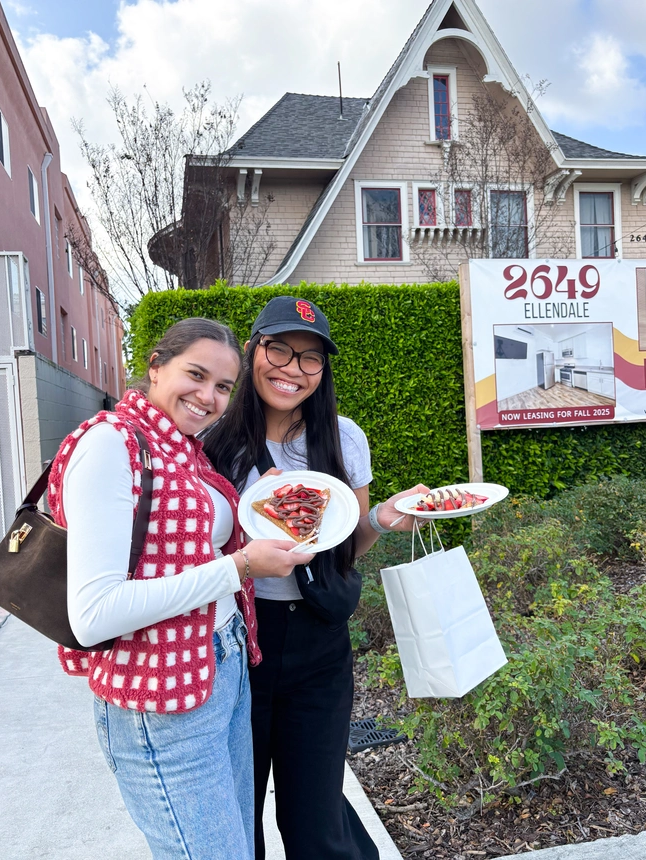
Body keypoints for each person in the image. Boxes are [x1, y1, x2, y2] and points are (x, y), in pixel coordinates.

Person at [48, 318, 314, 860]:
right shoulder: (110, 445)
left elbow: (184, 544)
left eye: (222, 387)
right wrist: (240, 566)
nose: (208, 397)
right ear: (154, 365)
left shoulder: (180, 447)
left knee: (239, 847)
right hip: (160, 701)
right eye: (195, 375)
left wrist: (256, 513)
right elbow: (94, 614)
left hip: (221, 668)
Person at [204, 297, 426, 860]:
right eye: (279, 349)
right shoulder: (210, 441)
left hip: (319, 640)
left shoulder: (343, 437)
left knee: (315, 816)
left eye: (310, 358)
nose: (292, 369)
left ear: (323, 371)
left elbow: (344, 547)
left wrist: (380, 519)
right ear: (253, 350)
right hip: (236, 639)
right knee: (237, 810)